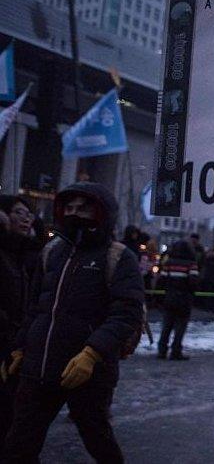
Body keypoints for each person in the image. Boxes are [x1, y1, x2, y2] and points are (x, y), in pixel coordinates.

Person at [1, 182, 144, 462]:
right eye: (70, 207)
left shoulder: (118, 256)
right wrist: (20, 347)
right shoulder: (52, 252)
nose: (75, 213)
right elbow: (36, 308)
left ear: (102, 212)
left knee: (99, 441)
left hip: (87, 374)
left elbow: (127, 312)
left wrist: (91, 354)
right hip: (39, 369)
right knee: (18, 445)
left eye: (84, 208)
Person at [0, 196, 43, 441]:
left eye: (29, 214)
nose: (26, 218)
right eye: (18, 212)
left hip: (18, 344)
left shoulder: (27, 254)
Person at [156, 241, 199, 361]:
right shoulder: (191, 264)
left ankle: (162, 350)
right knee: (180, 327)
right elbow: (193, 283)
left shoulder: (169, 263)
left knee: (167, 325)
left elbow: (162, 281)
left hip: (169, 298)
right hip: (184, 300)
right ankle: (176, 351)